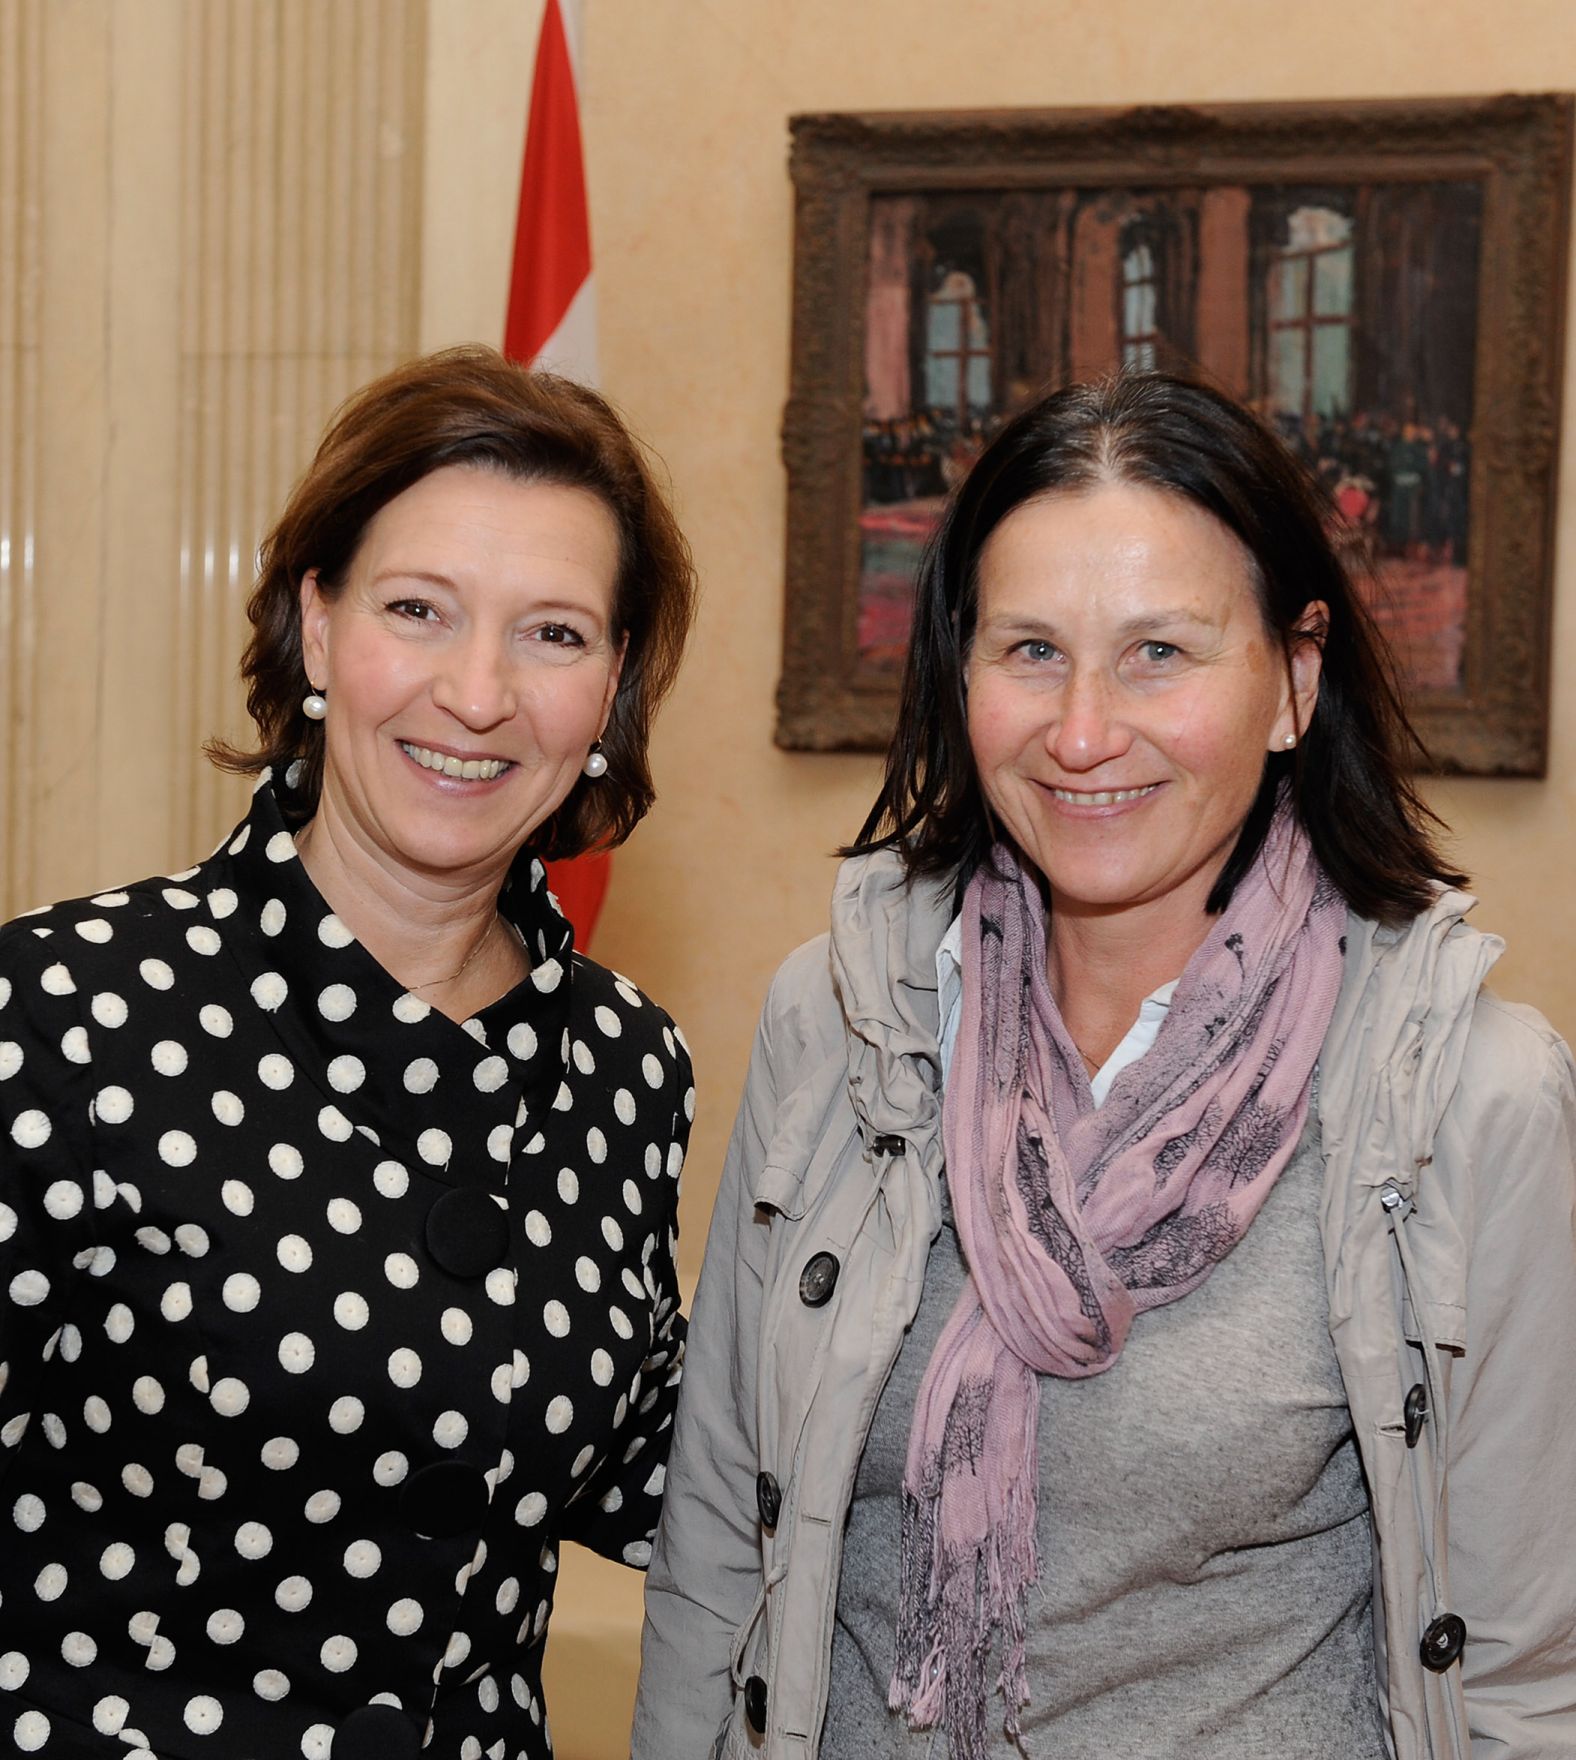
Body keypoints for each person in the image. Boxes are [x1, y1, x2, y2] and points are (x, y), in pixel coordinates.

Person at [634, 372, 1576, 1760]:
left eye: (1158, 654)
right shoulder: (840, 1019)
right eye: (1029, 651)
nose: (1081, 732)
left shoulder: (1466, 1098)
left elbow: (1516, 1664)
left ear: (1292, 682)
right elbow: (719, 1536)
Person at [0, 346, 697, 1760]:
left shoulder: (628, 1066)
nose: (480, 692)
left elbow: (650, 1471)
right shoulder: (66, 1012)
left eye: (555, 635)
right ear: (317, 629)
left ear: (614, 685)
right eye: (419, 610)